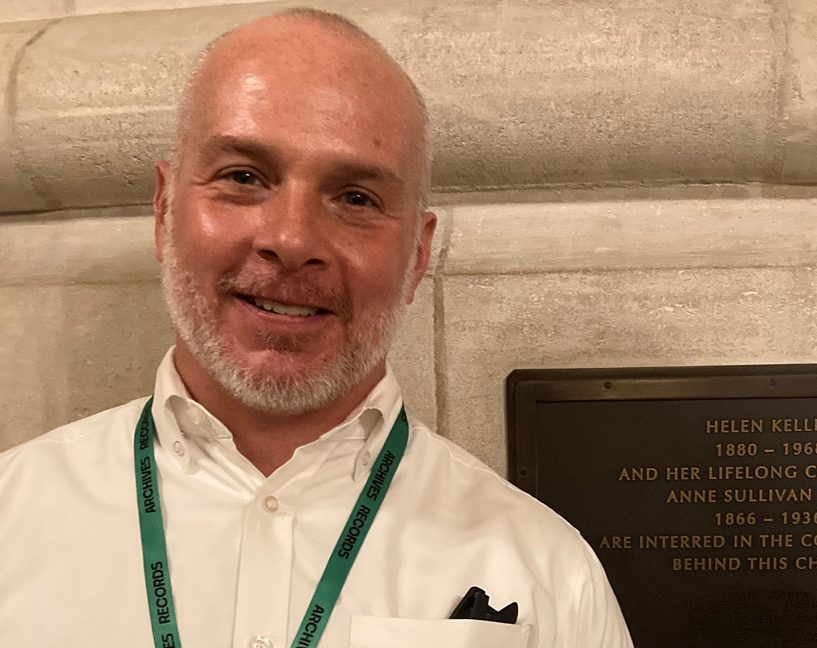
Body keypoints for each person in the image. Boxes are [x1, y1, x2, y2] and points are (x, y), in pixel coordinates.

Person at [0, 9, 633, 648]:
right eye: (243, 177)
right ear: (165, 212)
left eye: (355, 197)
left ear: (417, 256)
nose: (292, 240)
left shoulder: (550, 575)